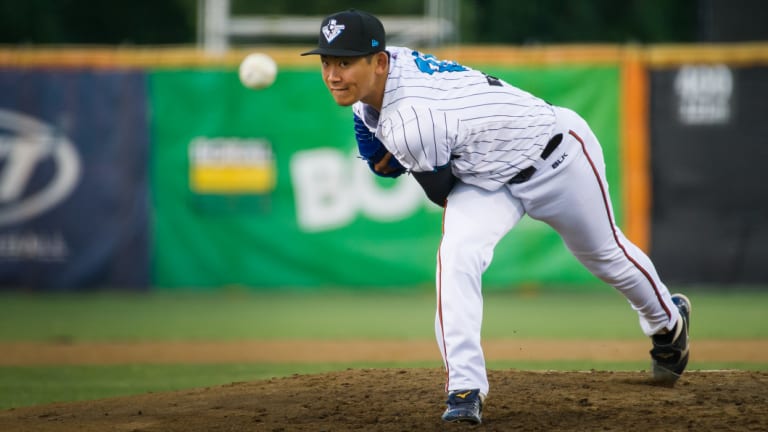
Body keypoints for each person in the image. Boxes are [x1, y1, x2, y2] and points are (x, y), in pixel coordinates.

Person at [301, 9, 692, 425]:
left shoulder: (411, 121)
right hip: (484, 176)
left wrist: (391, 159)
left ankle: (667, 321)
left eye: (345, 62)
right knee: (457, 256)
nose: (333, 74)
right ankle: (464, 388)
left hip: (555, 156)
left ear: (378, 62)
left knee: (605, 255)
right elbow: (378, 121)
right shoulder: (388, 66)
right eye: (327, 61)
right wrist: (379, 136)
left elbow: (439, 191)